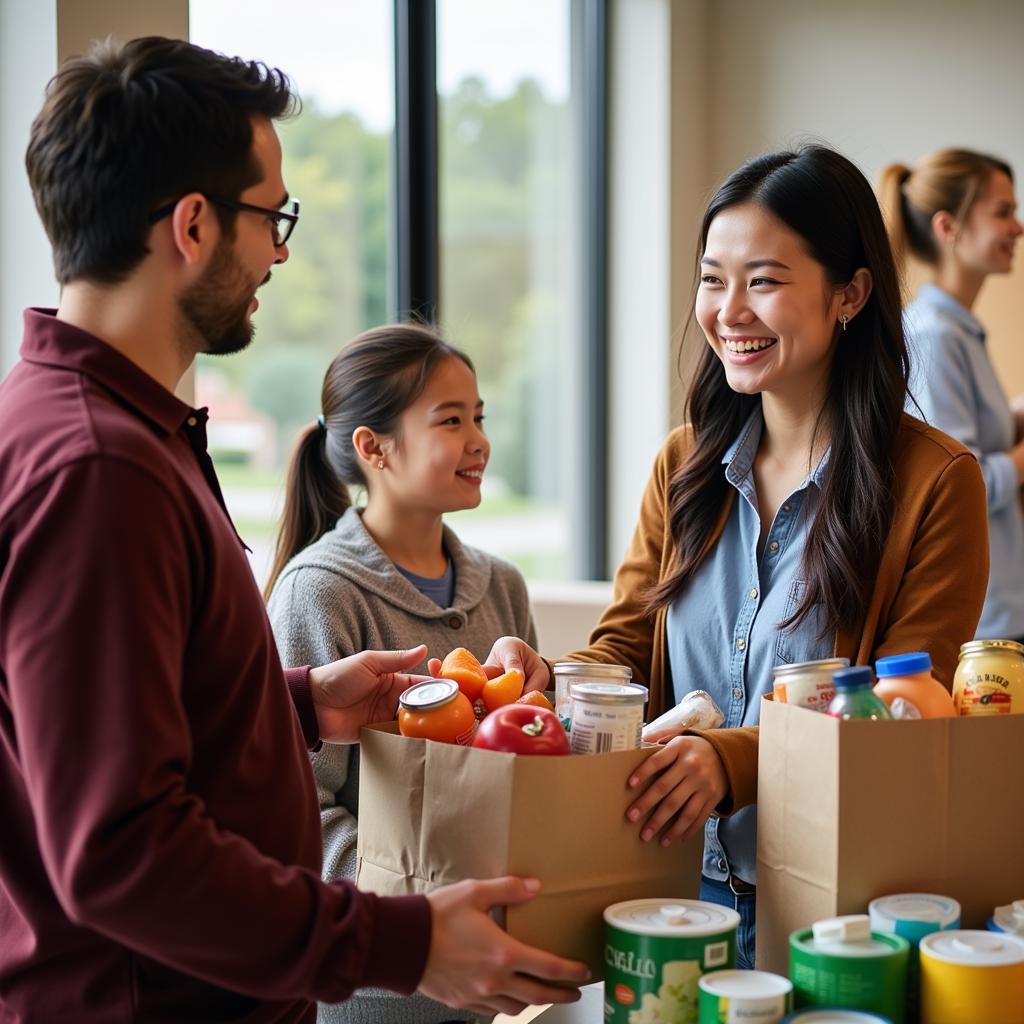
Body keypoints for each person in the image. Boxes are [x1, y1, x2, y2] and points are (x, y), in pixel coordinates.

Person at [0, 36, 588, 1023]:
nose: (278, 251)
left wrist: (303, 702)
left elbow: (124, 718)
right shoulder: (99, 468)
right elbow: (119, 846)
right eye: (272, 218)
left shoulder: (99, 428)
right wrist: (403, 941)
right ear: (192, 225)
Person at [483, 145, 989, 969]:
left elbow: (905, 723)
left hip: (831, 913)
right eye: (714, 279)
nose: (729, 311)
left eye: (764, 280)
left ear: (850, 294)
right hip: (663, 895)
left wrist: (730, 760)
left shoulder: (937, 483)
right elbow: (625, 652)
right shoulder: (684, 464)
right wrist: (549, 682)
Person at [265, 323, 538, 1023]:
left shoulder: (503, 586)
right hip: (373, 996)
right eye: (451, 420)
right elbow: (297, 817)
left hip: (484, 986)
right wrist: (416, 910)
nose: (478, 439)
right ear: (373, 447)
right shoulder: (319, 593)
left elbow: (529, 769)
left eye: (479, 416)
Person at [879, 148, 1024, 641]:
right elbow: (963, 481)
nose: (1018, 227)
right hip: (982, 622)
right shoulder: (935, 338)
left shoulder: (957, 333)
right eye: (1003, 212)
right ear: (949, 227)